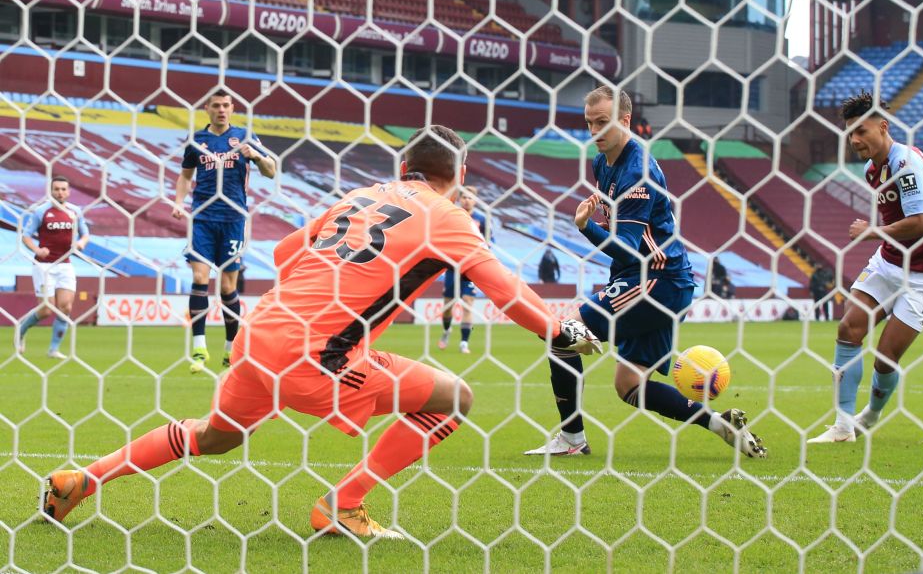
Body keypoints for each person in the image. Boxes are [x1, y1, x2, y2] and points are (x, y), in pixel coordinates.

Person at [42, 125, 600, 538]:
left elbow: (286, 253)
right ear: (459, 176)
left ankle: (81, 480)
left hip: (259, 336)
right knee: (454, 400)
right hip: (317, 357)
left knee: (216, 436)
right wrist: (561, 331)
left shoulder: (359, 196)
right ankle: (344, 503)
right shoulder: (447, 216)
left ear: (404, 163)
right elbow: (505, 291)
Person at [524, 87, 767, 458]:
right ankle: (720, 424)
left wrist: (585, 227)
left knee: (561, 334)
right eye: (589, 124)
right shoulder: (603, 163)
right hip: (660, 280)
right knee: (629, 385)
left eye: (602, 123)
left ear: (625, 121)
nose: (595, 132)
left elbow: (626, 247)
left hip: (655, 280)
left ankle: (572, 440)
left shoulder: (637, 171)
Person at [808, 91, 923, 444]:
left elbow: (921, 224)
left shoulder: (906, 165)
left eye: (861, 131)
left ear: (883, 127)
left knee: (885, 359)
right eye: (850, 134)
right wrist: (882, 236)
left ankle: (869, 415)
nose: (855, 140)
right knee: (848, 327)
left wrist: (873, 231)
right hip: (888, 263)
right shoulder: (874, 170)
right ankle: (843, 426)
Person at [172, 89, 276, 372]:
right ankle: (199, 348)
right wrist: (179, 202)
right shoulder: (197, 141)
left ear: (232, 108)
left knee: (228, 286)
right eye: (216, 105)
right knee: (199, 277)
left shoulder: (244, 136)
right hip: (202, 219)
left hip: (233, 220)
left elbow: (271, 170)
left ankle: (231, 348)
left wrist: (254, 154)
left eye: (225, 105)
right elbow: (185, 176)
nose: (221, 110)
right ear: (207, 108)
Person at [17, 176, 90, 360]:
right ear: (51, 191)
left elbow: (85, 233)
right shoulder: (41, 211)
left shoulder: (75, 211)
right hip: (44, 266)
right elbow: (26, 236)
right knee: (46, 309)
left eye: (63, 189)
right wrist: (37, 249)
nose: (60, 192)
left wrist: (80, 244)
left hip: (65, 265)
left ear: (69, 191)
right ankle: (21, 330)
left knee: (65, 308)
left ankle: (53, 349)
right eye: (56, 189)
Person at [437, 185, 492, 354]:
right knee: (448, 306)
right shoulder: (452, 216)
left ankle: (464, 343)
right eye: (464, 197)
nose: (467, 200)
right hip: (453, 266)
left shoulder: (482, 220)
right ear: (459, 199)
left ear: (475, 200)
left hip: (471, 267)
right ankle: (447, 330)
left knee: (468, 304)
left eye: (470, 197)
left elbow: (489, 242)